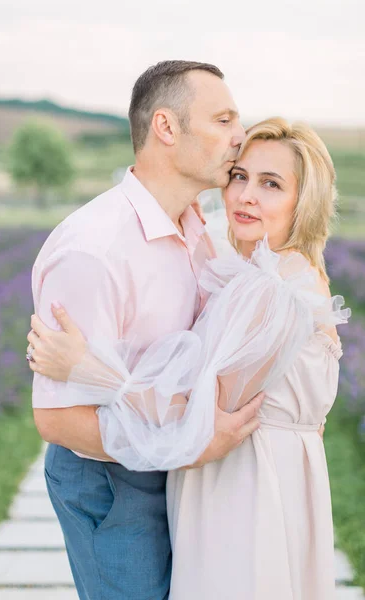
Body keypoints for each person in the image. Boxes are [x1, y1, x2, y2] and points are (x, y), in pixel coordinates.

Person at [28, 118, 350, 599]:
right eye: (240, 176)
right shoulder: (275, 271)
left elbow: (196, 413)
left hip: (241, 492)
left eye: (271, 184)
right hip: (258, 482)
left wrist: (88, 369)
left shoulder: (274, 290)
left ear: (305, 201)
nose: (244, 195)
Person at [28, 60, 264, 600]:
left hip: (184, 471)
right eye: (223, 120)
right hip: (114, 485)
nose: (240, 137)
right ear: (166, 127)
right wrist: (191, 446)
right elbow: (60, 419)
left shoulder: (198, 227)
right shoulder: (95, 251)